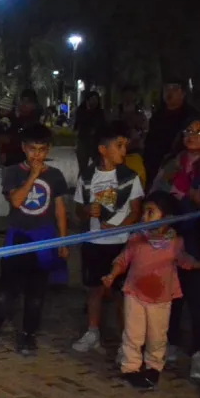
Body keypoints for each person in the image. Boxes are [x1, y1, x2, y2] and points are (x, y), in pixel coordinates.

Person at [0, 124, 68, 355]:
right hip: (17, 237)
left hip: (43, 240)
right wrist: (33, 177)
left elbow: (59, 209)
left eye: (41, 149)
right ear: (23, 148)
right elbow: (17, 201)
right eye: (32, 149)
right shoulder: (13, 172)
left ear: (48, 150)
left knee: (36, 294)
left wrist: (62, 241)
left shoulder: (56, 176)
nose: (36, 154)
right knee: (5, 291)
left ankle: (28, 336)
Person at [103, 192, 200, 390]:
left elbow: (186, 261)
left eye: (150, 212)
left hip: (161, 298)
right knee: (133, 334)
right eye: (144, 212)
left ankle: (153, 368)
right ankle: (130, 368)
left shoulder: (175, 243)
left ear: (167, 218)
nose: (144, 217)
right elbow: (122, 260)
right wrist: (112, 275)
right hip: (134, 293)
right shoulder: (136, 238)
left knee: (157, 336)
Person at [150, 118, 200, 381]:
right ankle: (169, 342)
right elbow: (156, 195)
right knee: (172, 294)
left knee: (198, 299)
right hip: (169, 237)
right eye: (188, 131)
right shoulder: (172, 163)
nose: (192, 135)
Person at [71, 122, 144, 354]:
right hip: (93, 241)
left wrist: (118, 227)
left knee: (120, 293)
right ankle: (93, 331)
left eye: (125, 146)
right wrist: (87, 211)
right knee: (94, 289)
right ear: (103, 149)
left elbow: (135, 211)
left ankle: (126, 340)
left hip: (120, 243)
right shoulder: (88, 176)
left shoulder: (130, 178)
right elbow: (78, 208)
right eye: (119, 146)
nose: (124, 151)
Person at [143, 78, 200, 186]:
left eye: (174, 88)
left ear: (183, 93)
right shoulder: (157, 115)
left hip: (179, 165)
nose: (169, 92)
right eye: (166, 89)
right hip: (155, 163)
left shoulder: (191, 116)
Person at [74, 91, 108, 173]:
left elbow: (103, 125)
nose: (94, 102)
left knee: (98, 166)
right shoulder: (81, 110)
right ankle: (81, 184)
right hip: (83, 141)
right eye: (92, 99)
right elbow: (79, 123)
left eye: (96, 100)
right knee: (83, 167)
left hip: (96, 142)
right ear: (87, 100)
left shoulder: (100, 112)